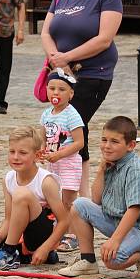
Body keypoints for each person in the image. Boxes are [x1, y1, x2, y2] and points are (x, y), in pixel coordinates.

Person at [41, 0, 122, 197]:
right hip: (63, 75)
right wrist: (55, 57)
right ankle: (76, 195)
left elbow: (104, 39)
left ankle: (77, 194)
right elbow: (46, 31)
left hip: (92, 73)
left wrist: (67, 58)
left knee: (72, 126)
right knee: (71, 127)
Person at [58, 116, 140, 278]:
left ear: (131, 146)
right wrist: (101, 170)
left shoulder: (136, 170)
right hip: (117, 221)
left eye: (114, 141)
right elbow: (96, 200)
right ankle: (88, 261)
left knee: (113, 260)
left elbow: (134, 211)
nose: (106, 146)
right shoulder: (111, 162)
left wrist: (114, 240)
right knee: (79, 205)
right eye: (104, 140)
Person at [0, 126, 68, 270]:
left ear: (37, 156)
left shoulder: (46, 181)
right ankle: (20, 255)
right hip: (17, 234)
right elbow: (9, 218)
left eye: (22, 153)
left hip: (39, 235)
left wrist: (46, 248)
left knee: (21, 194)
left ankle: (9, 252)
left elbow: (64, 221)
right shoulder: (8, 179)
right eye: (12, 151)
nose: (15, 157)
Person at [40, 69, 85, 252]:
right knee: (55, 200)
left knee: (69, 200)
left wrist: (60, 154)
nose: (56, 93)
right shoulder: (46, 114)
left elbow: (80, 142)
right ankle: (60, 232)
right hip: (53, 163)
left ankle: (74, 235)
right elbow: (43, 136)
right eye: (52, 88)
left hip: (69, 164)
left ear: (71, 94)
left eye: (61, 89)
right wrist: (41, 150)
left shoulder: (71, 114)